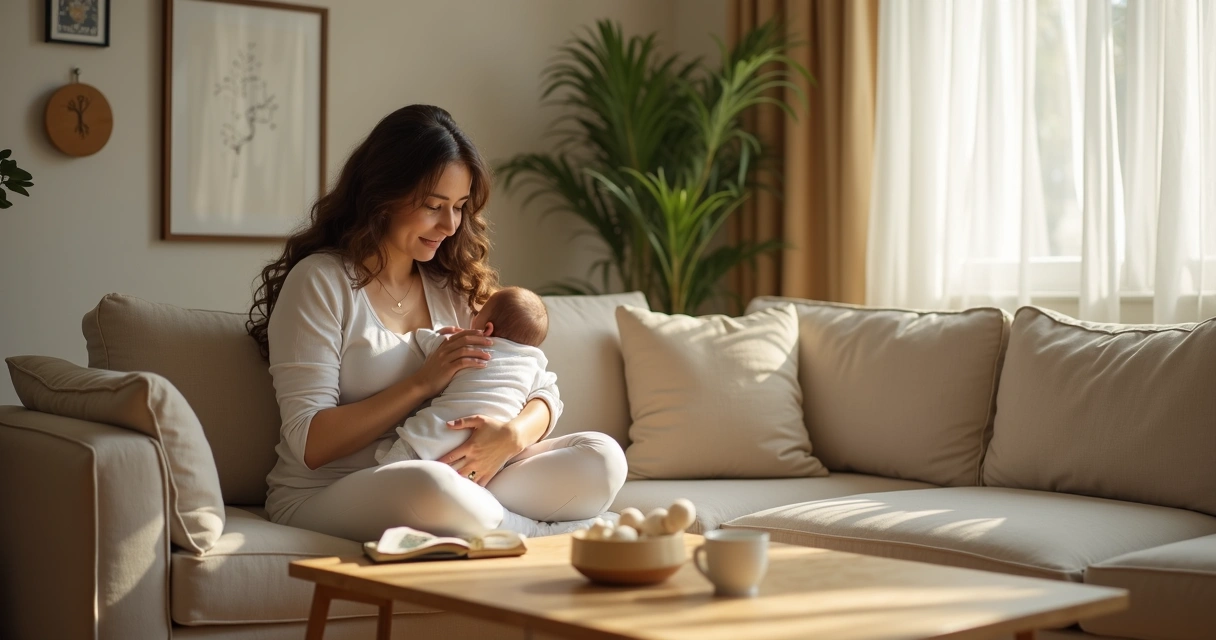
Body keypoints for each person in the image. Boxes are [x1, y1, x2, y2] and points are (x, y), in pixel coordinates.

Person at [247, 104, 627, 543]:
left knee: (602, 458)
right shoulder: (321, 282)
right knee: (430, 485)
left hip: (461, 476)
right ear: (382, 197)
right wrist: (422, 382)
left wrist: (511, 436)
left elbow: (539, 384)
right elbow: (308, 442)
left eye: (460, 207)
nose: (450, 225)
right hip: (332, 491)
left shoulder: (452, 284)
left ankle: (482, 521)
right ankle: (548, 533)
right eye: (433, 206)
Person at [375, 286, 554, 469]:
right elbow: (551, 395)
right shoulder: (532, 365)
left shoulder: (465, 346)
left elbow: (426, 341)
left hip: (432, 438)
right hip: (488, 456)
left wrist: (441, 335)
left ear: (487, 328)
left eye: (478, 314)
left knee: (392, 468)